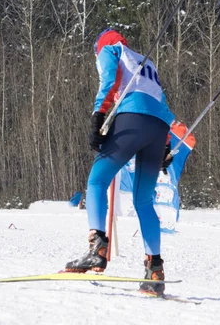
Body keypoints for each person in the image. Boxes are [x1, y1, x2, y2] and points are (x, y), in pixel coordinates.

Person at [64, 29, 175, 296]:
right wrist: (167, 143)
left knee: (97, 180)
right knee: (144, 200)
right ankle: (154, 271)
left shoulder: (109, 50)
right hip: (159, 128)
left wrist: (98, 116)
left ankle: (97, 247)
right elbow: (160, 100)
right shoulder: (146, 61)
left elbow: (109, 80)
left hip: (132, 120)